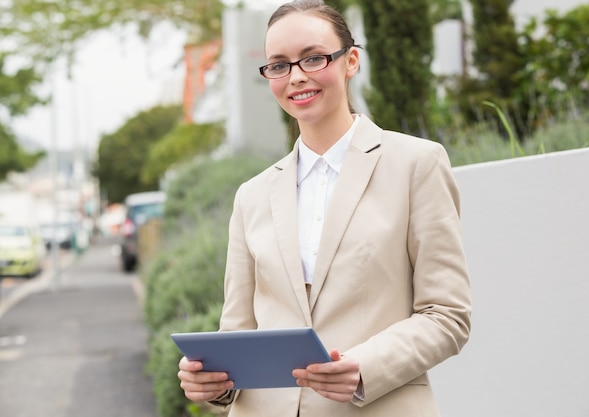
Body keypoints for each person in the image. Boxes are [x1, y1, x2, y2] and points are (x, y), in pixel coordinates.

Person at [177, 1, 471, 416]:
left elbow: (446, 315)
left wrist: (365, 367)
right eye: (278, 65)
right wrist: (213, 383)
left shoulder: (416, 164)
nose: (296, 76)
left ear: (350, 61)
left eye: (313, 58)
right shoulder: (252, 195)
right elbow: (238, 334)